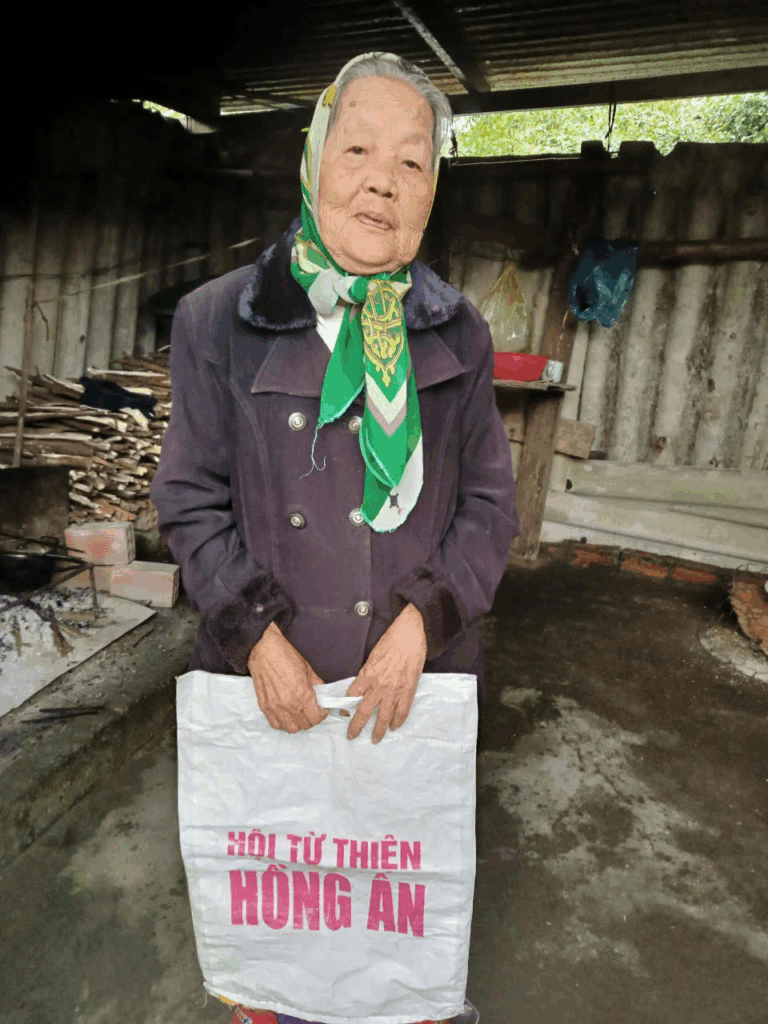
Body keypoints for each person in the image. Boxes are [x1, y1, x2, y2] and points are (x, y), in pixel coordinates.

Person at [150, 50, 520, 1024]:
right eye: (358, 149)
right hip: (272, 680)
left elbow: (490, 506)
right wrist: (256, 642)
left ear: (431, 194)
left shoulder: (460, 332)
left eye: (412, 162)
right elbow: (190, 498)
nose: (382, 181)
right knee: (279, 935)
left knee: (395, 929)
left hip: (413, 682)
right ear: (314, 163)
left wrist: (421, 625)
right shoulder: (218, 321)